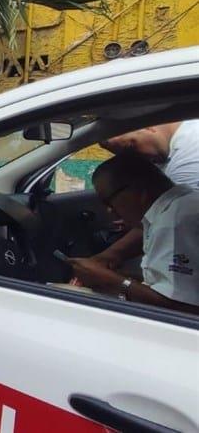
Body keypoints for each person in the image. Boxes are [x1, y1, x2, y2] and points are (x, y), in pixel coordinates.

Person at [68, 153, 199, 314]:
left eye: (109, 201)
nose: (109, 210)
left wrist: (111, 280)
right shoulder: (181, 205)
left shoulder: (174, 223)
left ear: (138, 190)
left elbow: (184, 310)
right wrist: (104, 275)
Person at [91, 121, 199, 271]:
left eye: (131, 147)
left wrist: (109, 257)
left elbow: (176, 220)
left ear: (148, 125)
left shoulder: (191, 155)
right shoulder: (167, 150)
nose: (136, 160)